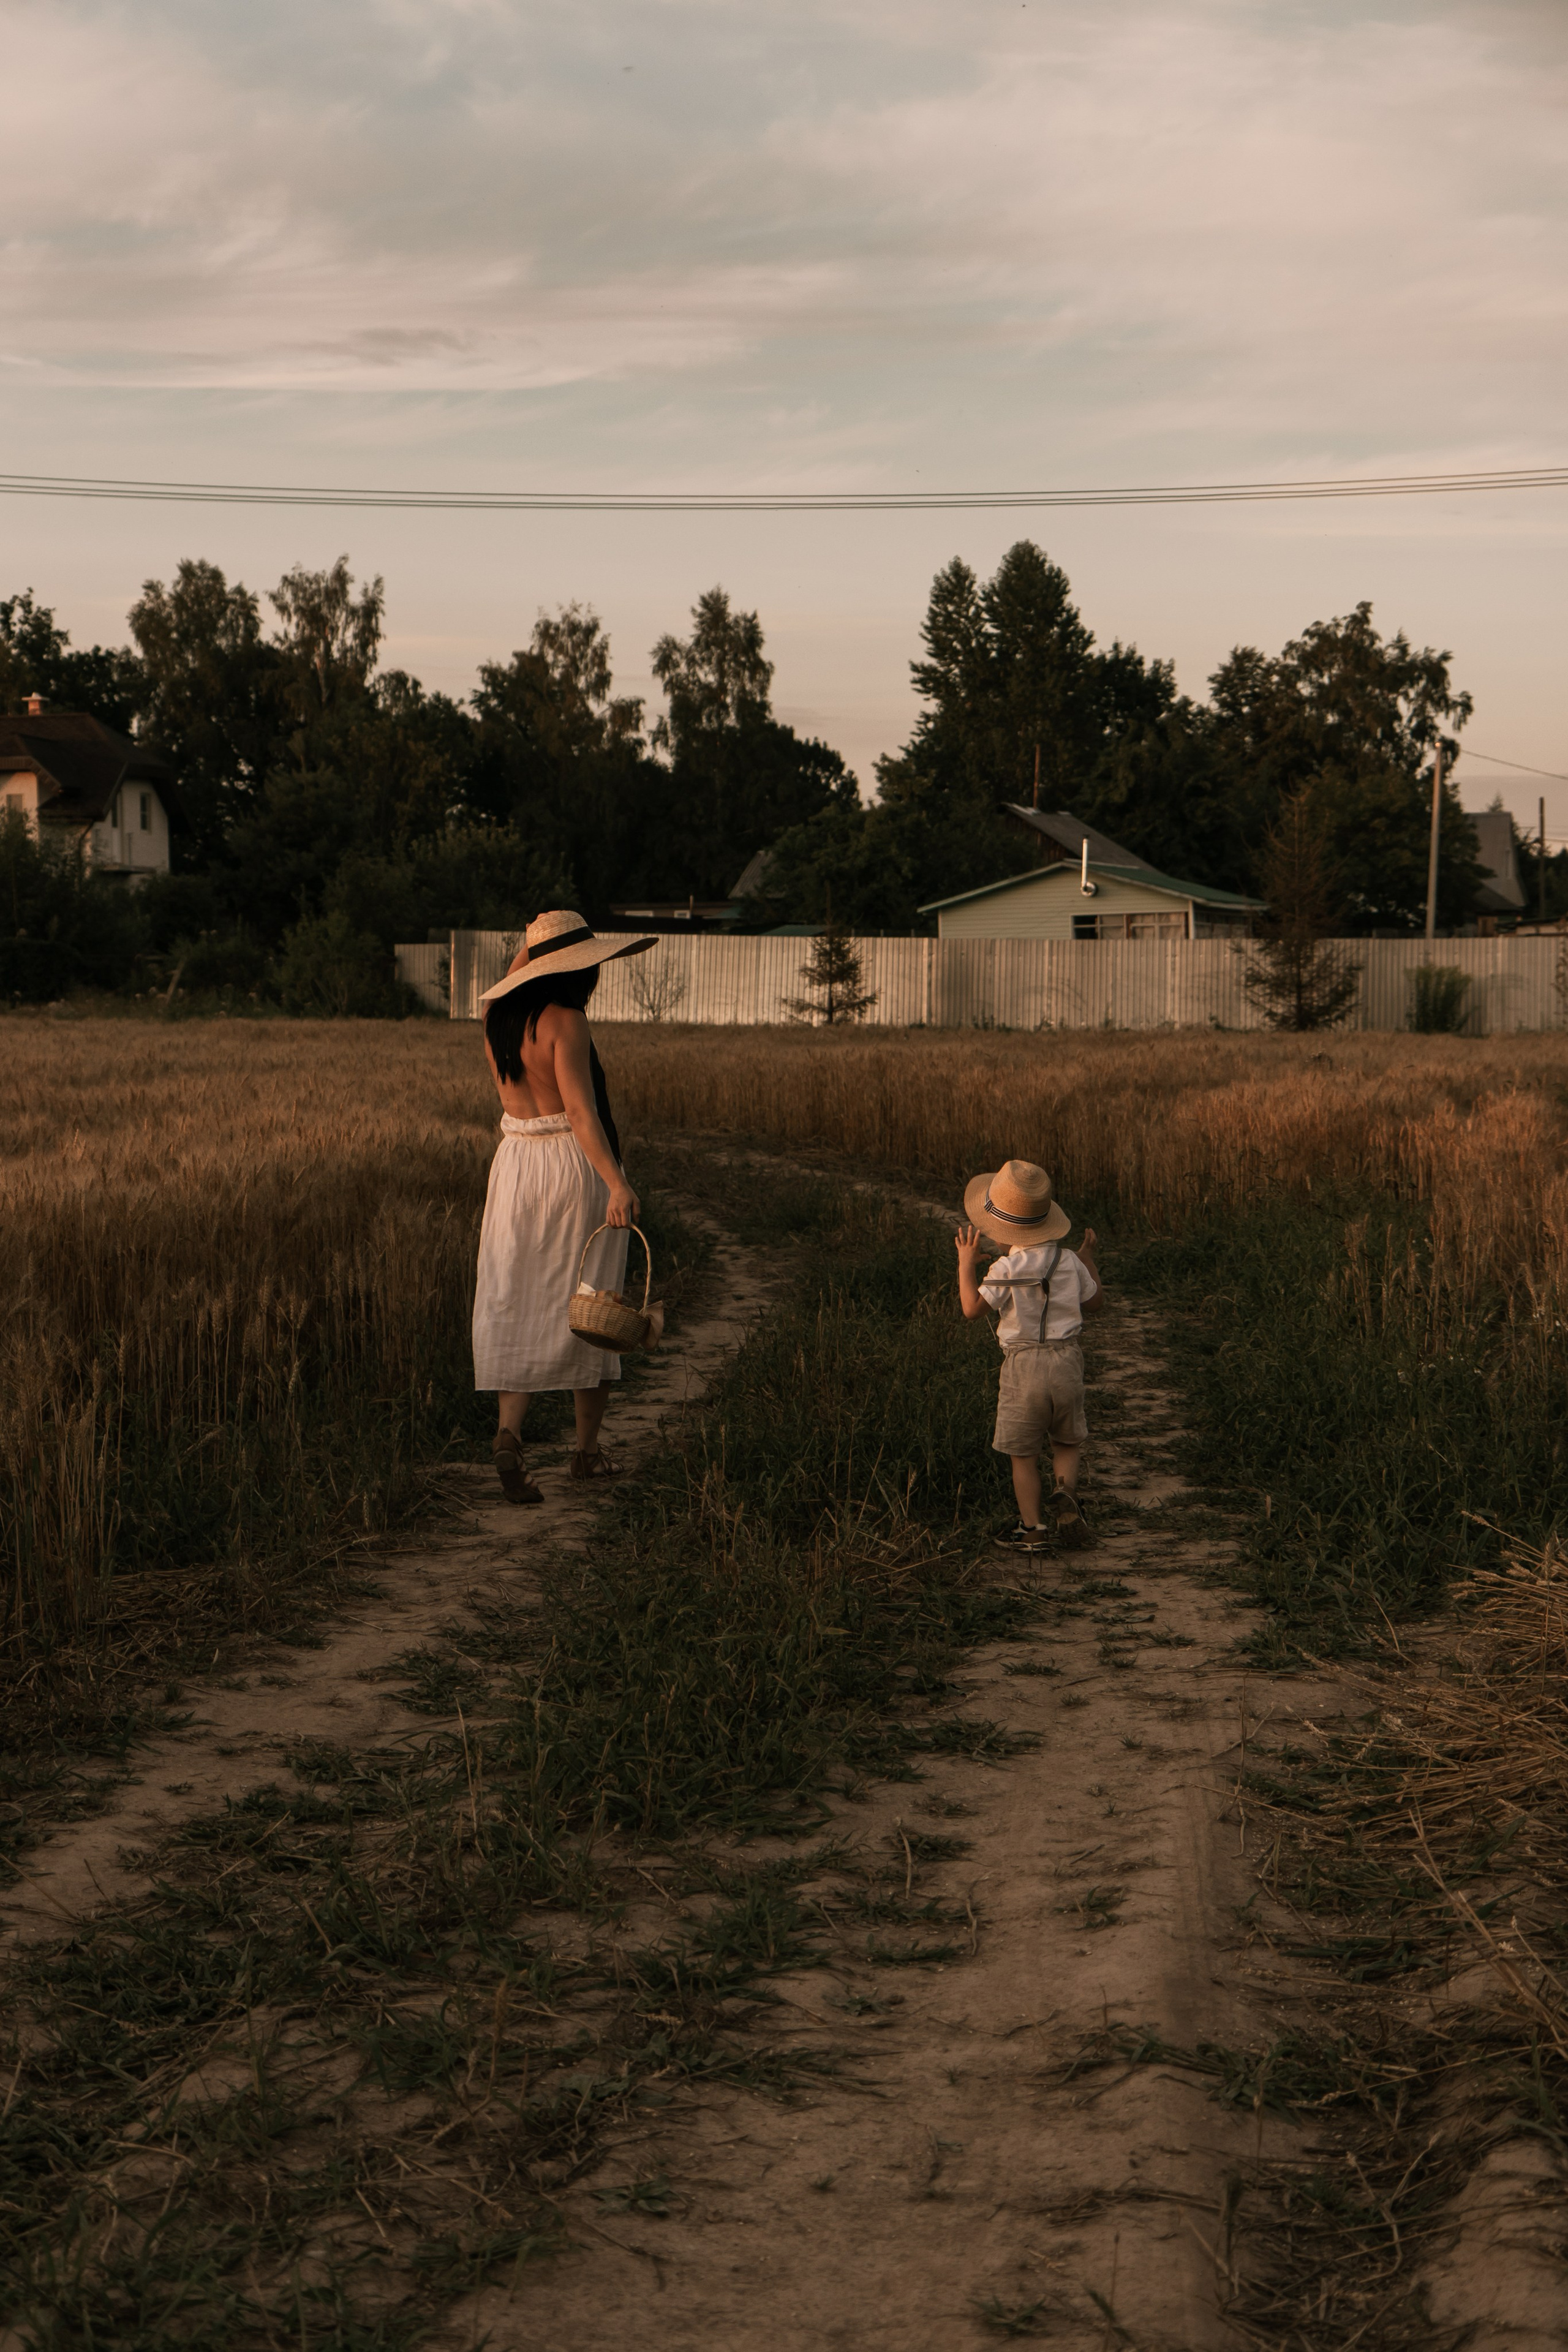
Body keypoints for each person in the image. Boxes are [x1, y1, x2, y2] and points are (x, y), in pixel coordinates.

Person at [472, 908, 657, 1503]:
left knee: (514, 1296)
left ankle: (509, 1433)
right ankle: (586, 1453)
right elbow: (580, 1112)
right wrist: (616, 1184)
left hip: (514, 1166)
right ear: (578, 970)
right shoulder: (567, 1021)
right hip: (571, 1168)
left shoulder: (496, 1018)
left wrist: (535, 949)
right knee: (593, 1303)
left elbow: (512, 976)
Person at [954, 1157, 1102, 1555]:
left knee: (1023, 1454)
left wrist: (966, 1265)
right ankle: (1065, 1494)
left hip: (1024, 1369)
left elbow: (971, 1309)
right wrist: (1088, 1259)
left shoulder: (1006, 1269)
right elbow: (1095, 1302)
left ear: (1003, 1231)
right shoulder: (1069, 1261)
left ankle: (1033, 1530)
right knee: (1066, 1442)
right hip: (1067, 1362)